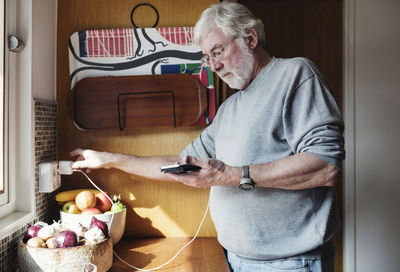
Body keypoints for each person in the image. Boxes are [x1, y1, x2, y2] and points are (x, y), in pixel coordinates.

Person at [70, 2, 345, 272]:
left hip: (290, 263)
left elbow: (325, 166)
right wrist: (111, 159)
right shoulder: (230, 109)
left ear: (250, 38)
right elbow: (180, 163)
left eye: (219, 51)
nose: (213, 65)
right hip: (236, 258)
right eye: (207, 57)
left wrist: (231, 175)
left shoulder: (294, 74)